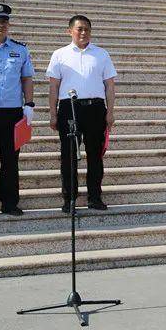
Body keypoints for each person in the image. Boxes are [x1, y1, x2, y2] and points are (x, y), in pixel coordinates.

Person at [46, 15, 117, 213]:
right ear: (70, 31)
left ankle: (95, 197)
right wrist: (53, 113)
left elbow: (109, 86)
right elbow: (53, 87)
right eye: (79, 29)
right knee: (68, 156)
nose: (83, 33)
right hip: (70, 108)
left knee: (95, 155)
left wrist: (110, 112)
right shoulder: (60, 54)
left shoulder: (101, 54)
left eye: (87, 29)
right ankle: (69, 199)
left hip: (95, 108)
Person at [0, 4, 34, 216]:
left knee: (10, 159)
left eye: (4, 22)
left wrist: (29, 104)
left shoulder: (20, 49)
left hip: (12, 112)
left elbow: (27, 78)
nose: (1, 25)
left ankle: (9, 202)